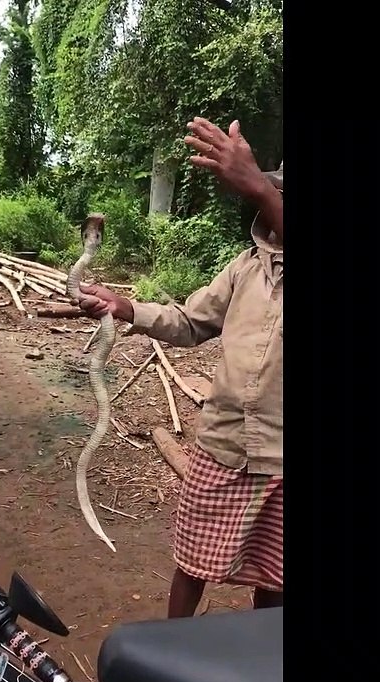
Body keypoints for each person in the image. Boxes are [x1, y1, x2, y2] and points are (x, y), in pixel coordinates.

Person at [73, 117, 283, 618]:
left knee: (275, 579)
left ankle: (263, 668)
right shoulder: (245, 267)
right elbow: (190, 322)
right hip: (224, 443)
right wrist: (127, 309)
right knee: (191, 564)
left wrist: (254, 183)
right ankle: (170, 648)